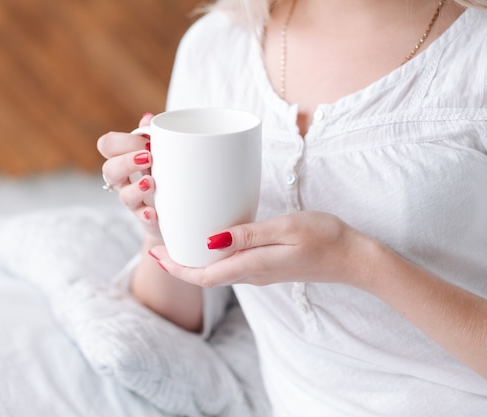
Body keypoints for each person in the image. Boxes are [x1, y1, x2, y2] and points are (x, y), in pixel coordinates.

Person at [97, 0, 487, 415]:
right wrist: (162, 223)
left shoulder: (474, 56)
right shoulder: (216, 47)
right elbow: (177, 313)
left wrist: (360, 263)